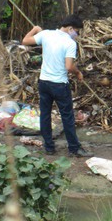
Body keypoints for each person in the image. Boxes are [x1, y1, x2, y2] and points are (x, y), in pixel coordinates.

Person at [22, 15, 91, 158]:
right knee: (67, 117)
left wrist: (34, 29)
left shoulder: (46, 34)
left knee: (45, 115)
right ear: (70, 28)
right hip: (59, 84)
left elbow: (25, 40)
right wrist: (78, 72)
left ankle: (49, 147)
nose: (76, 35)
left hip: (44, 83)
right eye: (77, 31)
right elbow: (68, 66)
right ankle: (74, 148)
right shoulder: (70, 43)